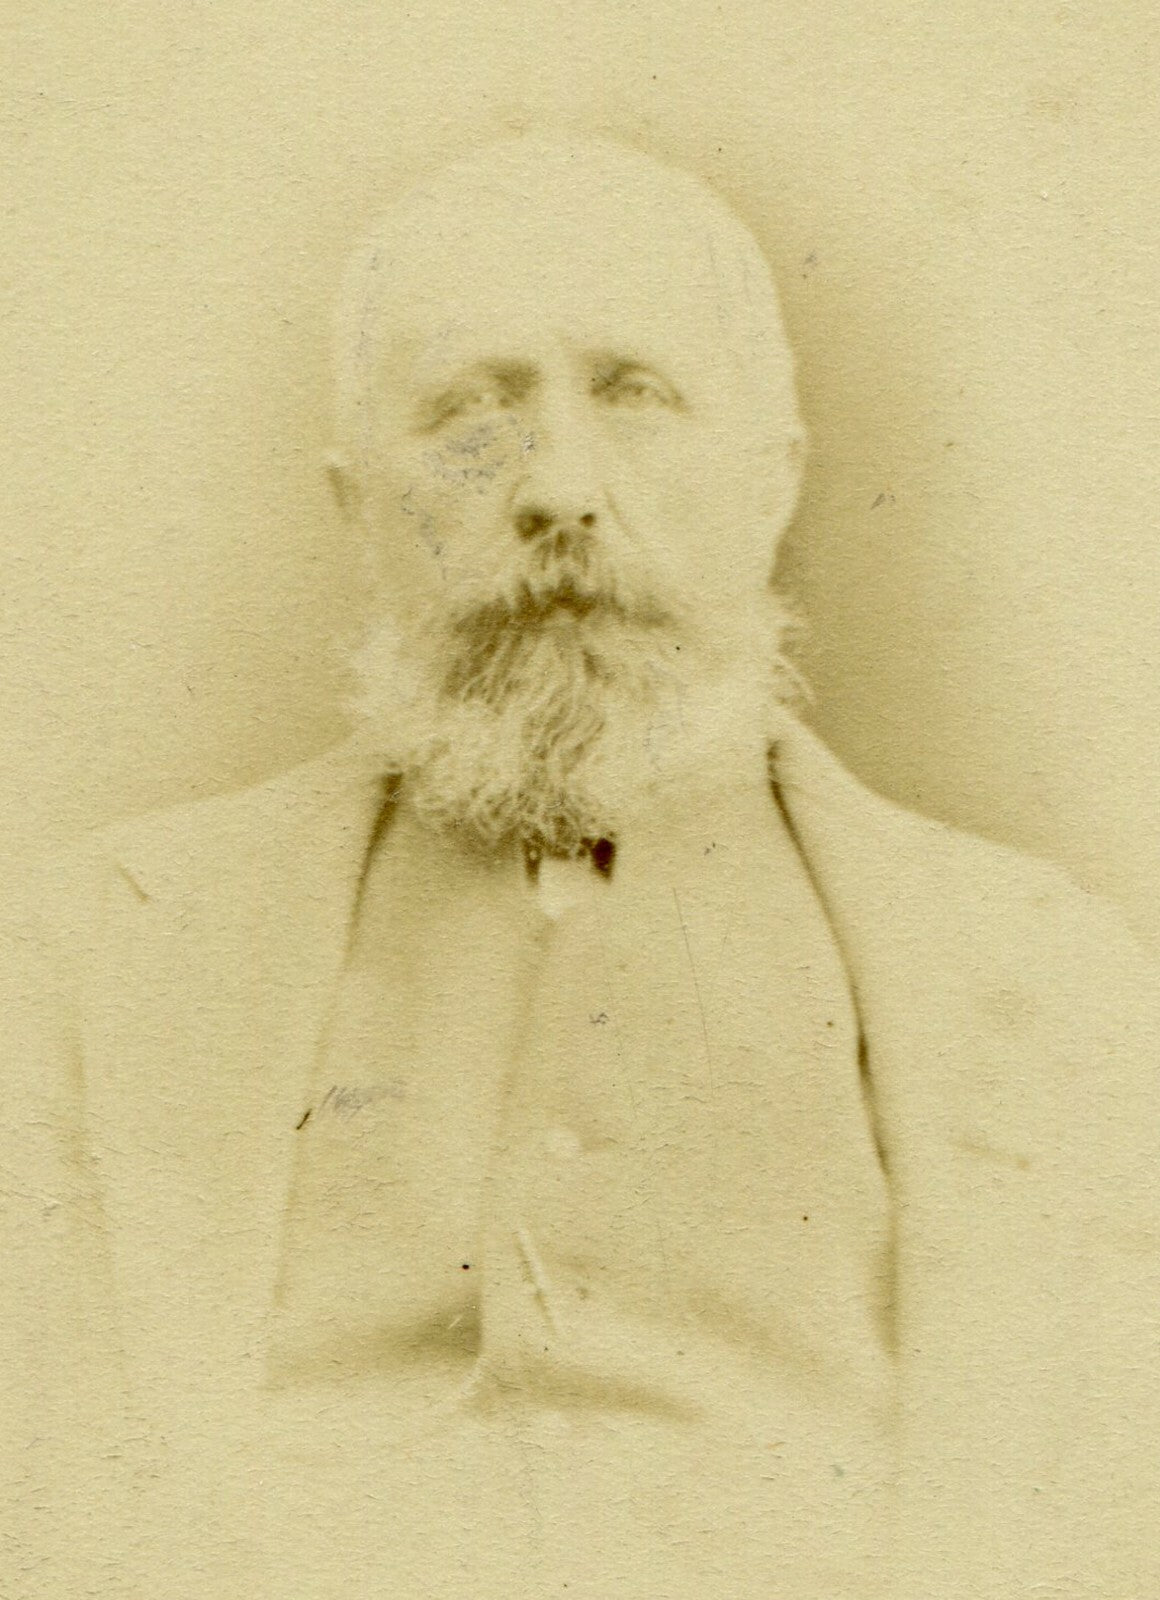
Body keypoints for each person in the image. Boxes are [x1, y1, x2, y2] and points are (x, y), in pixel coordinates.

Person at [2, 136, 1157, 1600]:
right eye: (469, 412)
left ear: (775, 480)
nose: (557, 485)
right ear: (357, 505)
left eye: (636, 393)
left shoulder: (1050, 976)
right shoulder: (85, 959)